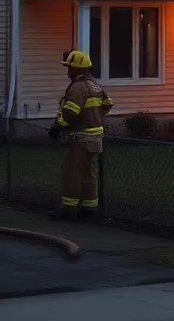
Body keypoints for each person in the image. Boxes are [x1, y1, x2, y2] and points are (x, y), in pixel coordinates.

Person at [48, 50, 113, 220]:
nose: (68, 71)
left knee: (72, 172)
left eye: (70, 68)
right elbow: (107, 104)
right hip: (96, 138)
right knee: (89, 174)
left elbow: (70, 113)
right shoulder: (95, 85)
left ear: (77, 69)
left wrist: (56, 128)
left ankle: (68, 209)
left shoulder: (77, 88)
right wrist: (94, 116)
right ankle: (89, 210)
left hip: (80, 138)